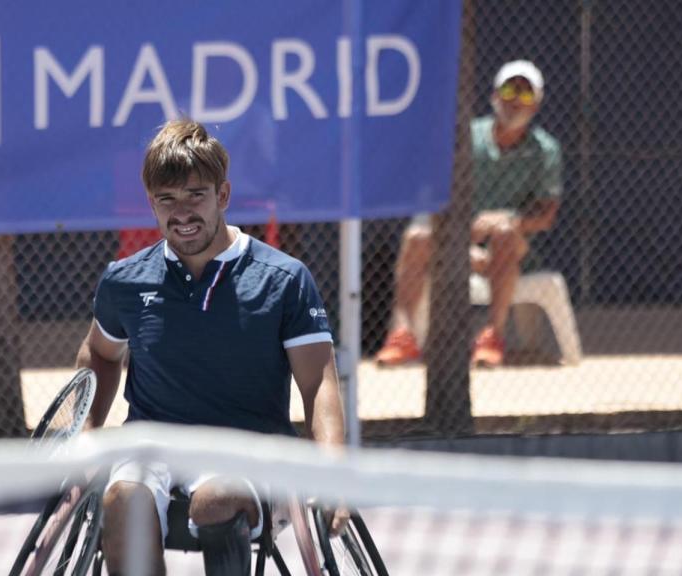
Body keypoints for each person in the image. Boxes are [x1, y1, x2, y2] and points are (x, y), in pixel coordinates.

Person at [75, 119, 346, 575]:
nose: (181, 212)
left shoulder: (284, 279)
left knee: (217, 500)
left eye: (195, 195)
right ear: (151, 204)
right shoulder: (123, 281)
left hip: (250, 451)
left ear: (222, 195)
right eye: (167, 200)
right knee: (121, 501)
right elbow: (101, 354)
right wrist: (85, 436)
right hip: (151, 447)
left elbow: (318, 380)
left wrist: (333, 468)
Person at [375, 59, 563, 368]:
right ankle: (403, 336)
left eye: (526, 94)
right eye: (510, 90)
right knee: (416, 236)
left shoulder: (546, 149)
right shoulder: (466, 137)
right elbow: (437, 197)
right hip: (456, 242)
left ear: (537, 104)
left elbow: (546, 216)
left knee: (503, 233)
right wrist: (462, 238)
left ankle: (492, 337)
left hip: (514, 252)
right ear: (494, 96)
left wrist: (509, 220)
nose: (516, 100)